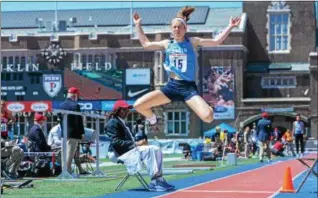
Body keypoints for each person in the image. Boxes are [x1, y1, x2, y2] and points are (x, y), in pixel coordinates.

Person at [132, 6, 241, 129]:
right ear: (171, 30)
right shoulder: (167, 44)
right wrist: (137, 25)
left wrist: (230, 26)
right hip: (171, 86)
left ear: (185, 29)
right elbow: (146, 44)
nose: (176, 29)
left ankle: (208, 106)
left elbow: (216, 41)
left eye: (179, 27)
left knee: (208, 117)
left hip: (187, 88)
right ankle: (153, 119)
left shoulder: (192, 42)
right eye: (174, 27)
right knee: (138, 105)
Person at [105, 100, 174, 192]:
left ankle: (159, 179)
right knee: (149, 150)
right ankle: (154, 182)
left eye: (128, 109)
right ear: (119, 110)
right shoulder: (112, 122)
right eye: (125, 110)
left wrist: (140, 143)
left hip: (128, 150)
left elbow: (130, 140)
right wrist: (136, 144)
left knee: (156, 149)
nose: (127, 112)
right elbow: (115, 142)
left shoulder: (124, 122)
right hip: (117, 153)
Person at [59, 87, 88, 175]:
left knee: (64, 153)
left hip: (64, 133)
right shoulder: (75, 106)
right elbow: (78, 121)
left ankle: (64, 170)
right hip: (73, 134)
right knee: (70, 154)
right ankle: (67, 171)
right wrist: (82, 133)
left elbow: (60, 120)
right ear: (75, 95)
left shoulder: (61, 105)